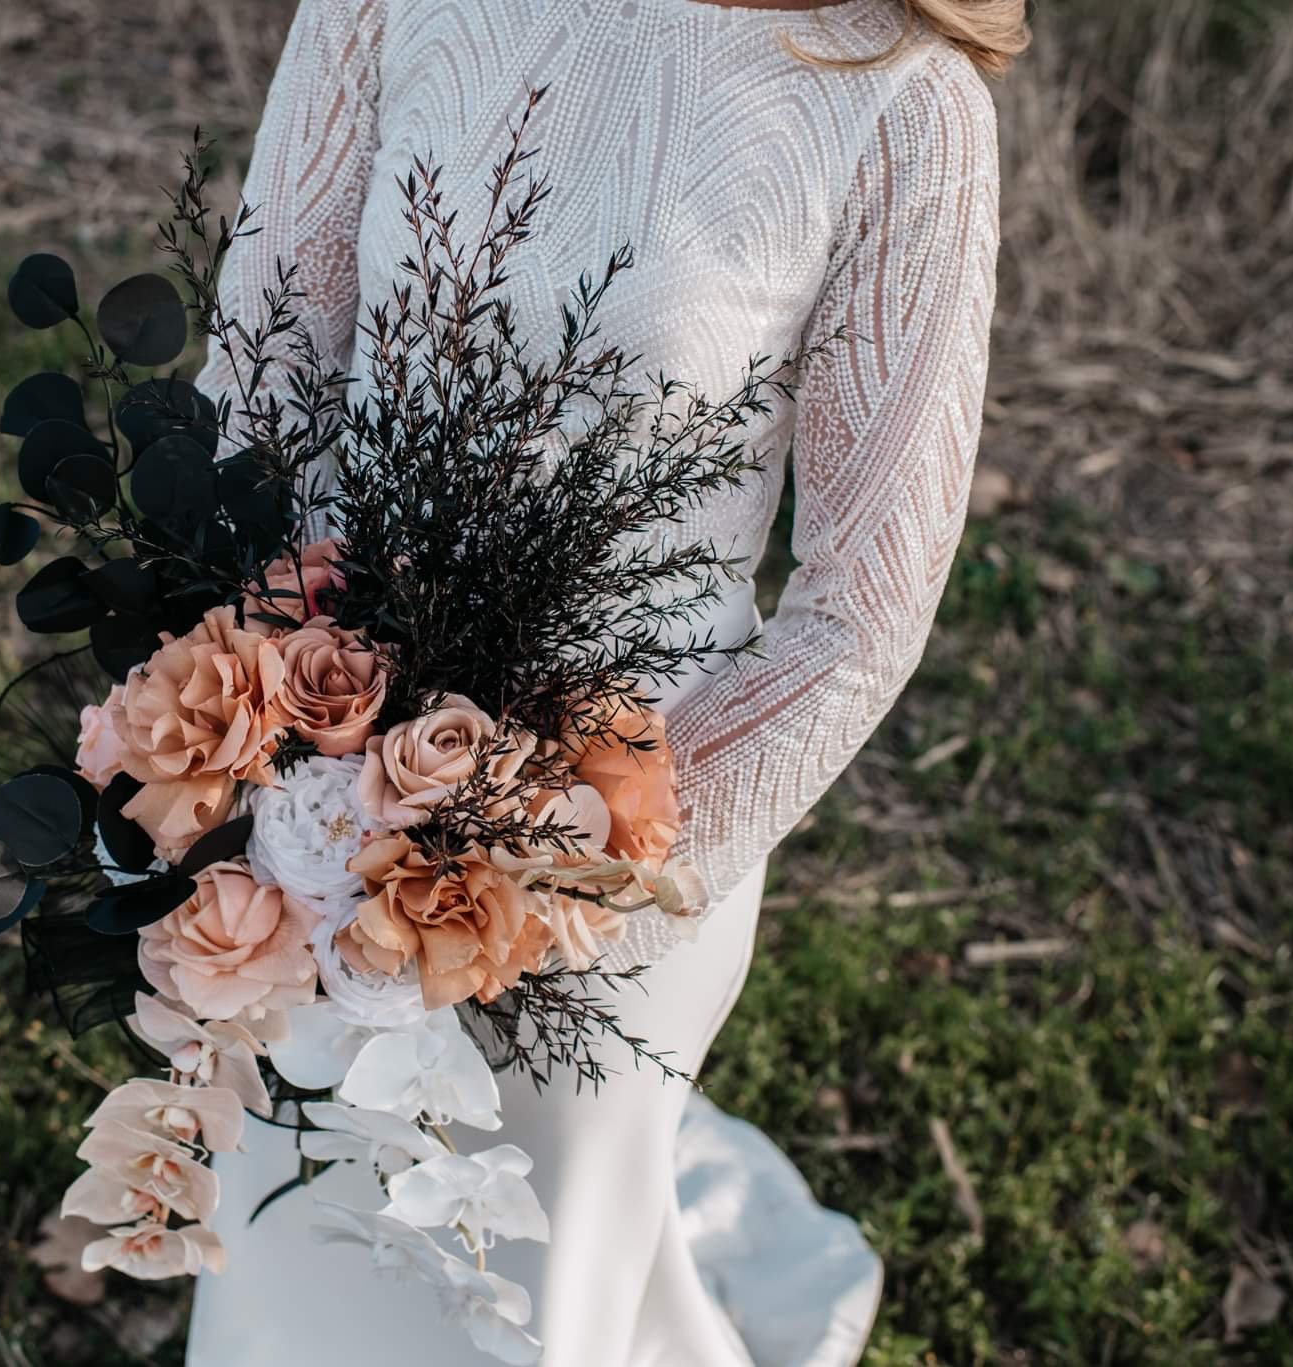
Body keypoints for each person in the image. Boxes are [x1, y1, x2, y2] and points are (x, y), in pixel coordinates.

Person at [186, 1, 1020, 1361]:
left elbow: (862, 608)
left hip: (623, 837)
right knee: (291, 1246)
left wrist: (574, 881)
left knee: (517, 1300)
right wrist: (250, 723)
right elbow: (264, 376)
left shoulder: (901, 99)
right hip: (310, 769)